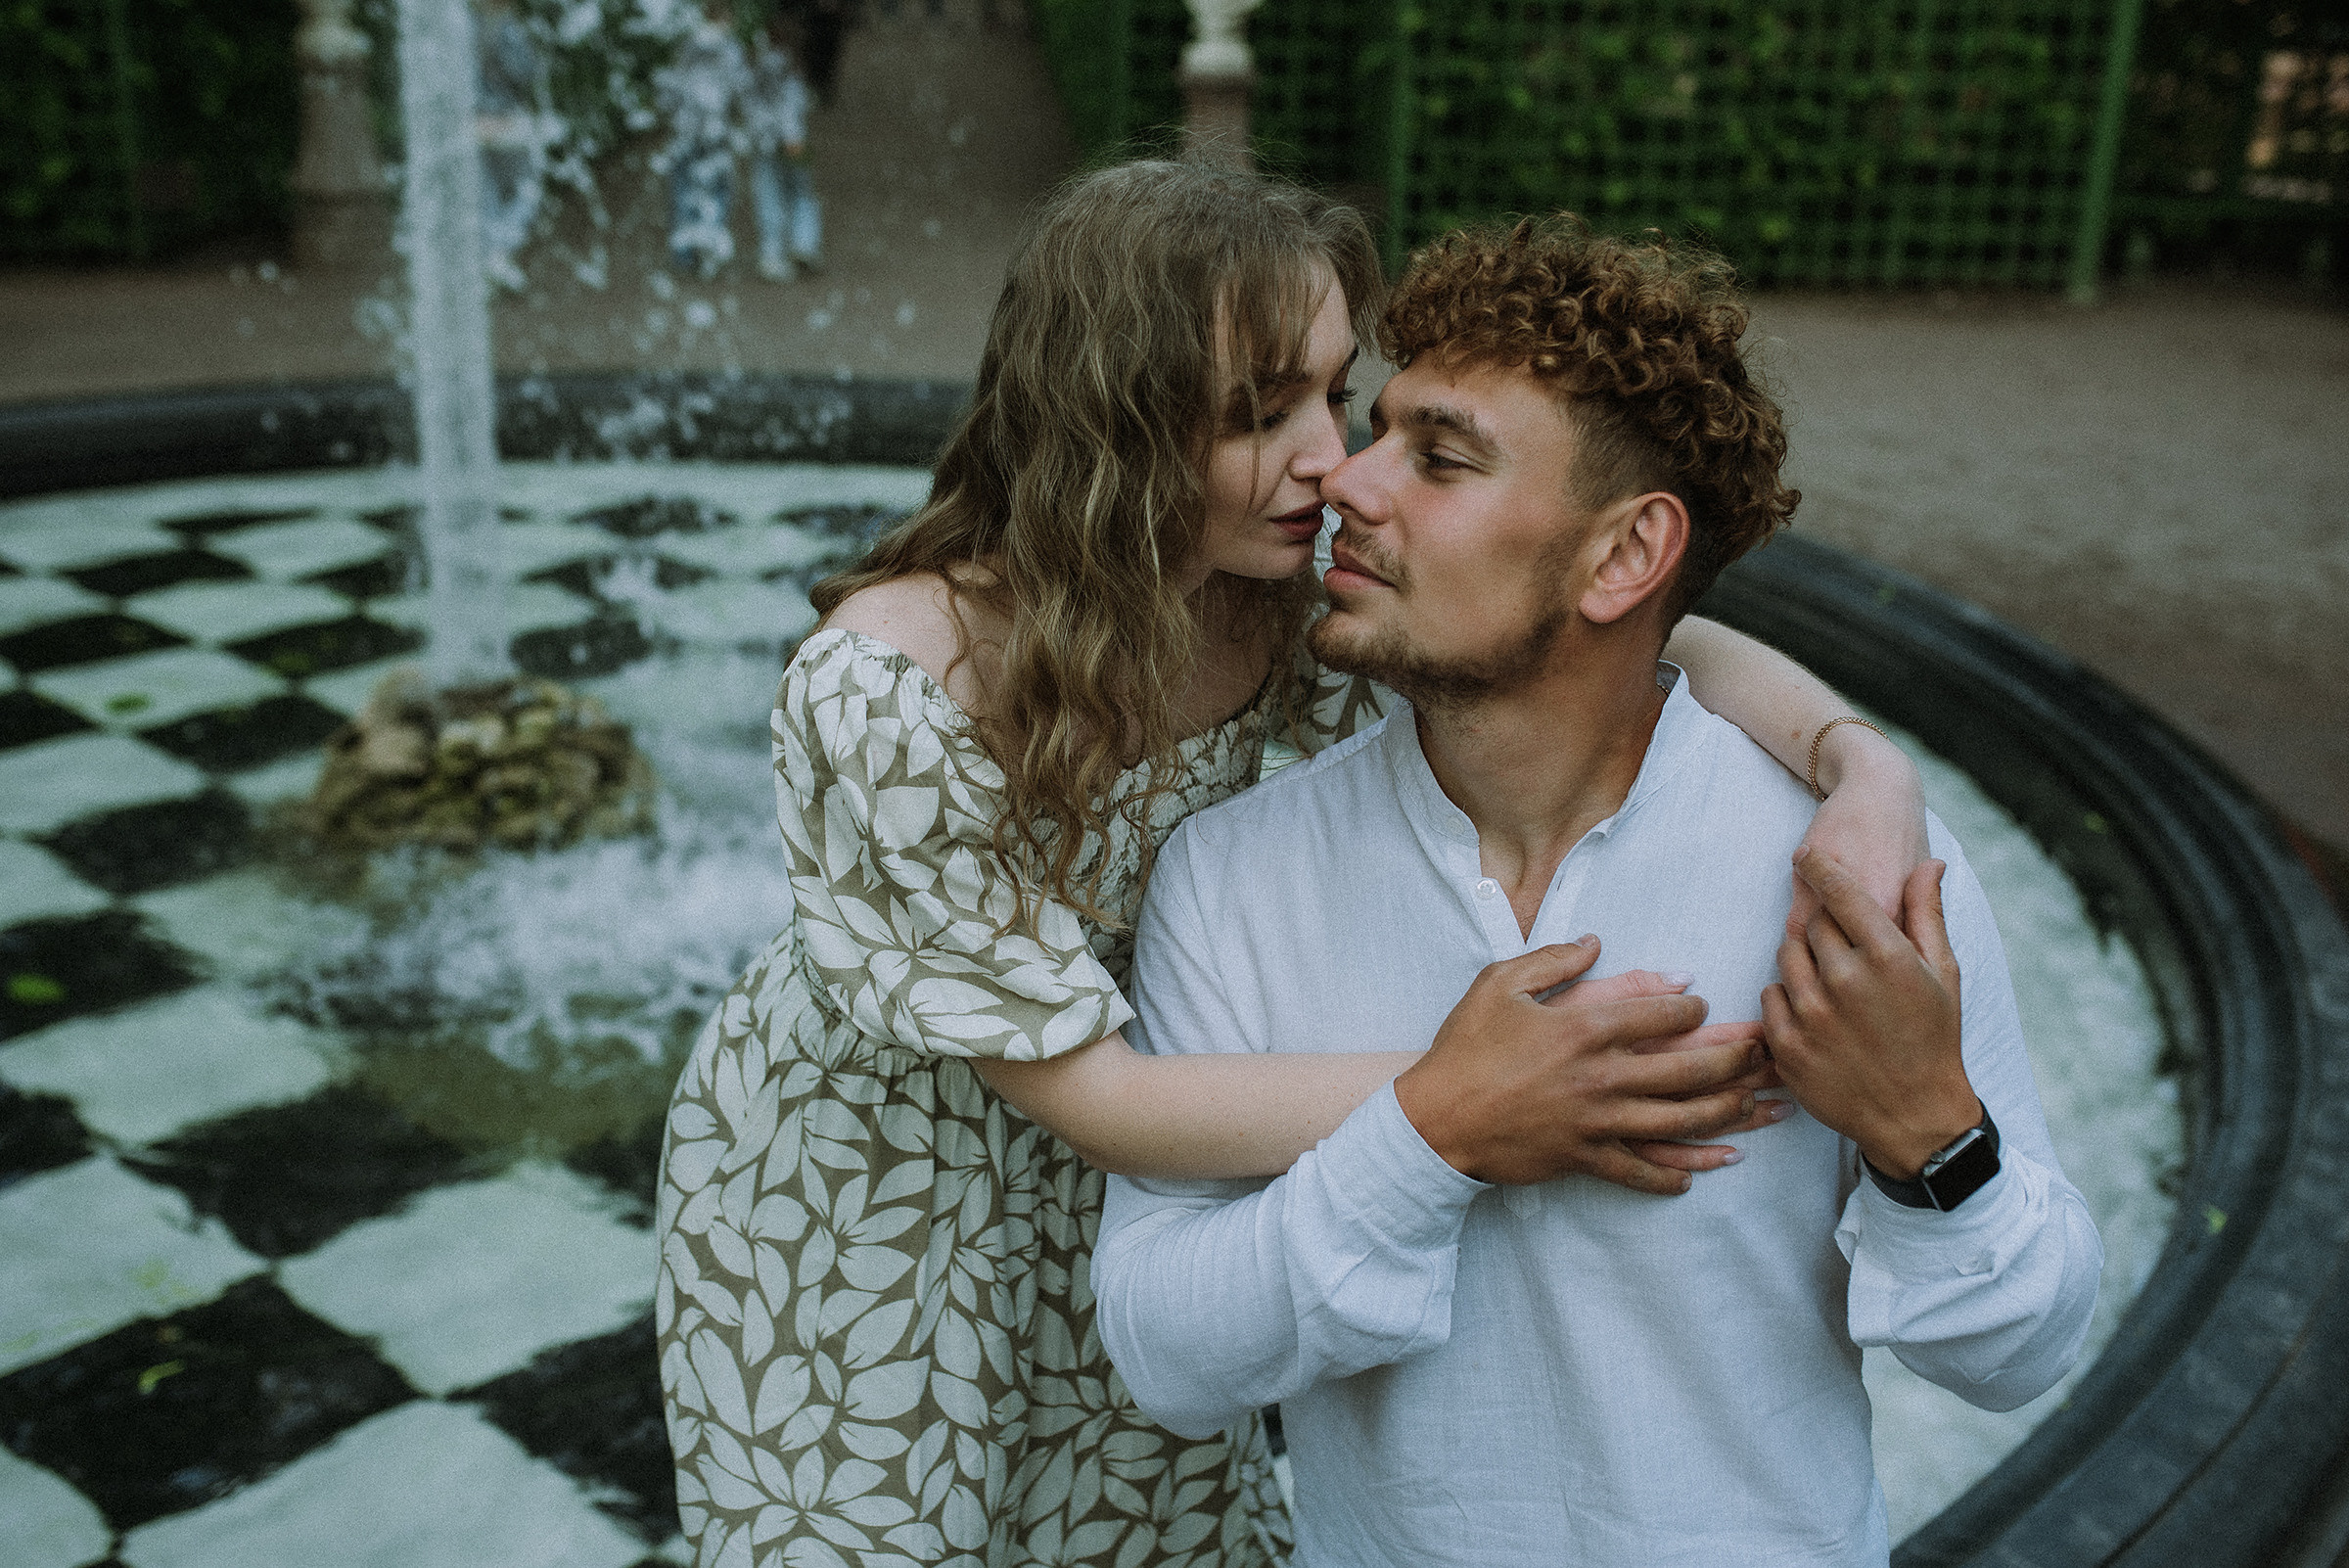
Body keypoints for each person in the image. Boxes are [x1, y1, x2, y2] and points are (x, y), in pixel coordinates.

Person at [655, 162, 1934, 1566]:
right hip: (871, 1192)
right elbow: (1097, 1097)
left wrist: (1858, 762)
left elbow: (1641, 627)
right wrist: (1464, 1099)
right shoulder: (893, 686)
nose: (1332, 456)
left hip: (1180, 1146)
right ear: (1112, 420)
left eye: (1334, 390)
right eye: (1261, 414)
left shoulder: (1266, 592)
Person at [1090, 216, 2105, 1567]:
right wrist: (1434, 1131)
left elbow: (2020, 1353)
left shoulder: (1847, 867)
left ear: (1625, 556)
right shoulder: (1233, 873)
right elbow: (1163, 1348)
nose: (1347, 476)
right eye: (1376, 426)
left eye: (1438, 458)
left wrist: (1931, 1137)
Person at [656, 0, 750, 278]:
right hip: (716, 130)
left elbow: (671, 88)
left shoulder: (687, 46)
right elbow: (740, 89)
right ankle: (709, 245)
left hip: (686, 129)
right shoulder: (731, 50)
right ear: (726, 17)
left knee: (682, 186)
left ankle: (684, 251)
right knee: (718, 188)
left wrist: (670, 113)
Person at [476, 0, 551, 292]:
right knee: (526, 190)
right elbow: (523, 72)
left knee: (488, 192)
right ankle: (499, 252)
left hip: (474, 120)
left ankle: (492, 257)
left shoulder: (468, 26)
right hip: (505, 121)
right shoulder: (508, 30)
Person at [744, 13, 821, 280]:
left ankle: (771, 253)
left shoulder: (756, 66)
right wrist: (792, 138)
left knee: (768, 195)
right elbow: (792, 106)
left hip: (764, 142)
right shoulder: (790, 67)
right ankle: (804, 243)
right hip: (793, 141)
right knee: (801, 192)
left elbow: (750, 105)